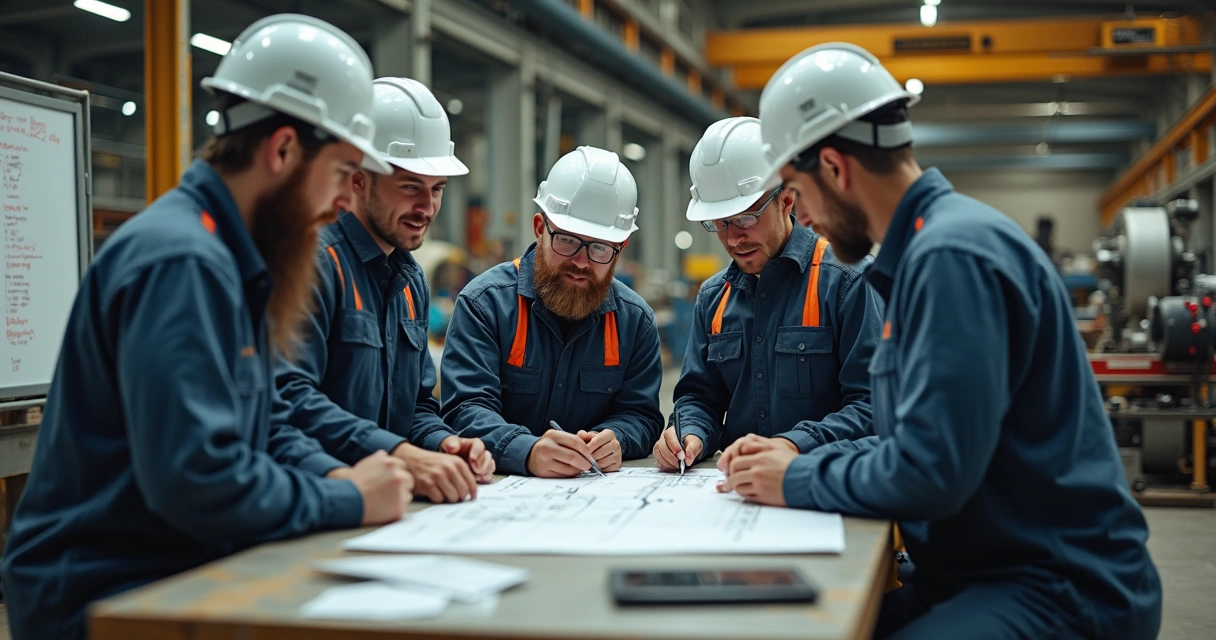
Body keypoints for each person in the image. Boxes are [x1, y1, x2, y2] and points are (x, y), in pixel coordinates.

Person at [718, 42, 1161, 640]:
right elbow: (915, 439)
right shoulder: (926, 252)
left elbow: (933, 471)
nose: (806, 216)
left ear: (835, 167)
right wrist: (799, 456)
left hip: (1059, 584)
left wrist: (793, 478)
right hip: (979, 571)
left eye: (798, 191)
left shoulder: (952, 257)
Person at [1, 16, 415, 640]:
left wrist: (334, 473)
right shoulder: (183, 263)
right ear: (281, 151)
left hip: (171, 567)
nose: (343, 201)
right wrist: (348, 499)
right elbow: (197, 477)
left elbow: (263, 419)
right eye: (340, 173)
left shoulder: (232, 255)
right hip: (102, 594)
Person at [274, 77, 494, 504]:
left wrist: (443, 444)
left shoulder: (410, 282)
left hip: (389, 503)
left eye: (437, 190)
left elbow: (415, 408)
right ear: (358, 179)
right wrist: (398, 453)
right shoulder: (312, 264)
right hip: (323, 497)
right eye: (410, 186)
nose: (427, 208)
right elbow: (291, 400)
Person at [655, 117, 881, 472]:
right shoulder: (714, 298)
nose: (732, 238)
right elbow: (699, 396)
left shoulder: (848, 282)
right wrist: (691, 431)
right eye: (720, 223)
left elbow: (872, 405)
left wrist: (793, 445)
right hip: (736, 489)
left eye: (745, 218)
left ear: (786, 200)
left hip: (820, 484)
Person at [441, 147, 664, 477]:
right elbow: (465, 408)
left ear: (621, 249)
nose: (581, 261)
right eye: (567, 240)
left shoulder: (634, 322)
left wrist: (619, 437)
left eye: (600, 247)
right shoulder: (484, 304)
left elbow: (641, 414)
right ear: (539, 228)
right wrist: (525, 450)